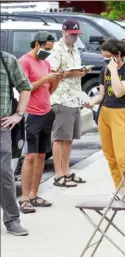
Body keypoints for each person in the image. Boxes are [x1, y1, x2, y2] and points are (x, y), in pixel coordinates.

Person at [85, 39, 125, 207]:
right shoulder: (104, 70)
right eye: (104, 57)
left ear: (118, 55)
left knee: (123, 156)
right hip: (105, 112)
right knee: (111, 157)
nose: (105, 60)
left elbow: (119, 91)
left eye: (108, 57)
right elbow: (103, 94)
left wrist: (114, 70)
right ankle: (119, 190)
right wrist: (92, 101)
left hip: (121, 113)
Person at [18, 32, 63, 214]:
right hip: (30, 114)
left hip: (46, 111)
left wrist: (56, 80)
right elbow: (24, 88)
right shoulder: (24, 62)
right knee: (29, 157)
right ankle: (24, 198)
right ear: (36, 44)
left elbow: (48, 91)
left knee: (42, 156)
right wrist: (44, 79)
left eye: (50, 50)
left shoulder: (45, 63)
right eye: (45, 48)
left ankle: (34, 194)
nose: (47, 53)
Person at [47, 19, 89, 187]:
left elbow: (75, 74)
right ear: (63, 33)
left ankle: (66, 171)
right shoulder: (56, 50)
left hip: (74, 98)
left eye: (76, 35)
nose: (74, 38)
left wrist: (81, 73)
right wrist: (73, 73)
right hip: (61, 98)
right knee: (59, 138)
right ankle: (58, 175)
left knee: (69, 138)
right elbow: (53, 74)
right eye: (71, 35)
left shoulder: (75, 49)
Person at [0, 51, 32, 235]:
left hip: (2, 126)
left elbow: (25, 86)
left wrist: (18, 114)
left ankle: (12, 219)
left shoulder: (7, 60)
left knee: (4, 174)